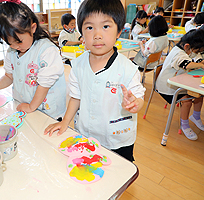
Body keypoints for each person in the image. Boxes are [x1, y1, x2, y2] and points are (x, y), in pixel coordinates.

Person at [44, 0, 145, 162]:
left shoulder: (128, 68)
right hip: (86, 132)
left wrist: (134, 104)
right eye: (90, 28)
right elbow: (75, 97)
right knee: (89, 168)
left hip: (117, 138)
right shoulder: (78, 65)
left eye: (105, 26)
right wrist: (65, 122)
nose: (97, 35)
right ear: (82, 34)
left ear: (119, 31)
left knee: (119, 173)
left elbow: (139, 98)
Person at [0, 0, 66, 120]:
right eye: (9, 43)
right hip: (24, 106)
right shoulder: (12, 51)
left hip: (48, 112)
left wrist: (31, 107)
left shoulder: (47, 50)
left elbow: (44, 84)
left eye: (19, 41)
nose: (15, 47)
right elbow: (9, 76)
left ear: (33, 28)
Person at [156, 29, 204, 140]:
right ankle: (185, 125)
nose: (196, 54)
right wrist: (201, 65)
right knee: (187, 101)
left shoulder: (183, 49)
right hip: (167, 88)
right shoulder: (178, 53)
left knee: (199, 95)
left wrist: (199, 61)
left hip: (179, 82)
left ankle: (195, 117)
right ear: (187, 46)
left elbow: (195, 57)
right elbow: (186, 64)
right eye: (196, 51)